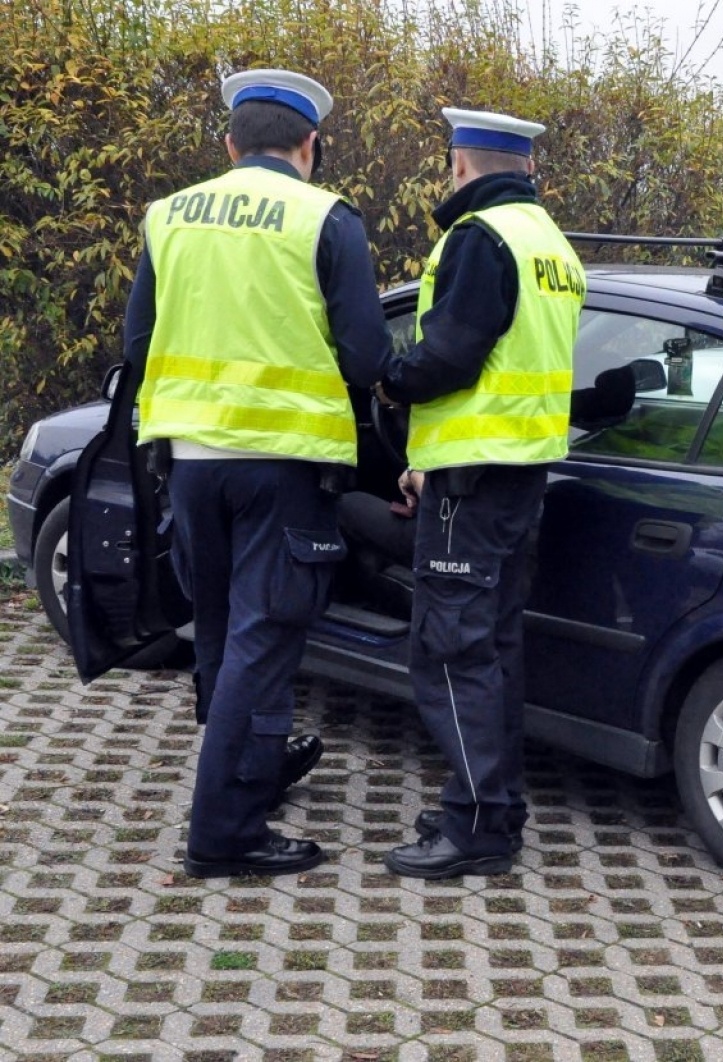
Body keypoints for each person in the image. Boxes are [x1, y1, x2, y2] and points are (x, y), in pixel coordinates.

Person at [124, 69, 392, 877]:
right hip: (283, 466)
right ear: (310, 145)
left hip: (191, 464)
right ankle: (225, 834)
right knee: (263, 639)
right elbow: (367, 356)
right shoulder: (326, 218)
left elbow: (137, 345)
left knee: (221, 634)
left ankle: (251, 774)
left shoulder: (168, 216)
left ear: (230, 144)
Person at [375, 107, 585, 879]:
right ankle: (493, 807)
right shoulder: (550, 244)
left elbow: (449, 357)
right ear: (527, 168)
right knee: (492, 651)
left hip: (470, 485)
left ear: (461, 165)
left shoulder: (479, 237)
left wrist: (389, 379)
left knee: (450, 654)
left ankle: (476, 831)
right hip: (519, 475)